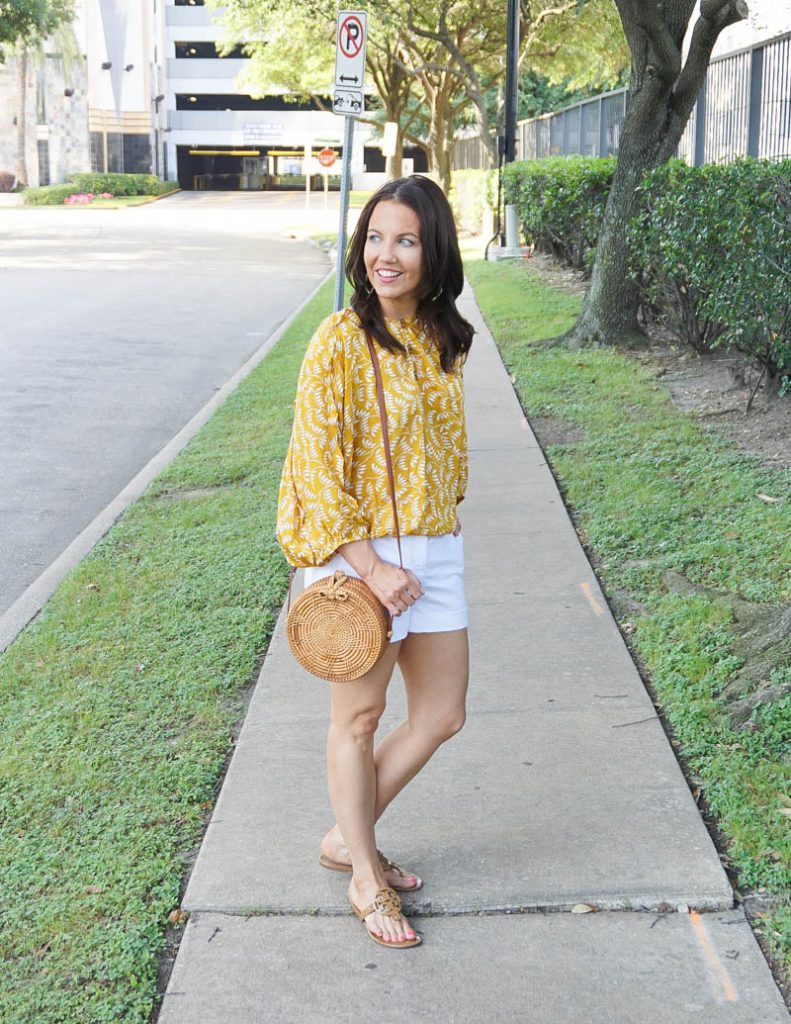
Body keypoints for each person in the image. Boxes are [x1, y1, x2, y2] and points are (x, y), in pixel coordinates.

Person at [276, 175, 474, 949]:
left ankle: (343, 835)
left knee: (441, 715)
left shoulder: (442, 339)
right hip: (362, 557)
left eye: (405, 240)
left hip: (434, 550)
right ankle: (363, 871)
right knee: (357, 718)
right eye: (374, 239)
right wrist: (370, 565)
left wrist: (437, 535)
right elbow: (316, 466)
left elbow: (446, 457)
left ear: (432, 252)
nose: (385, 256)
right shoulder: (338, 339)